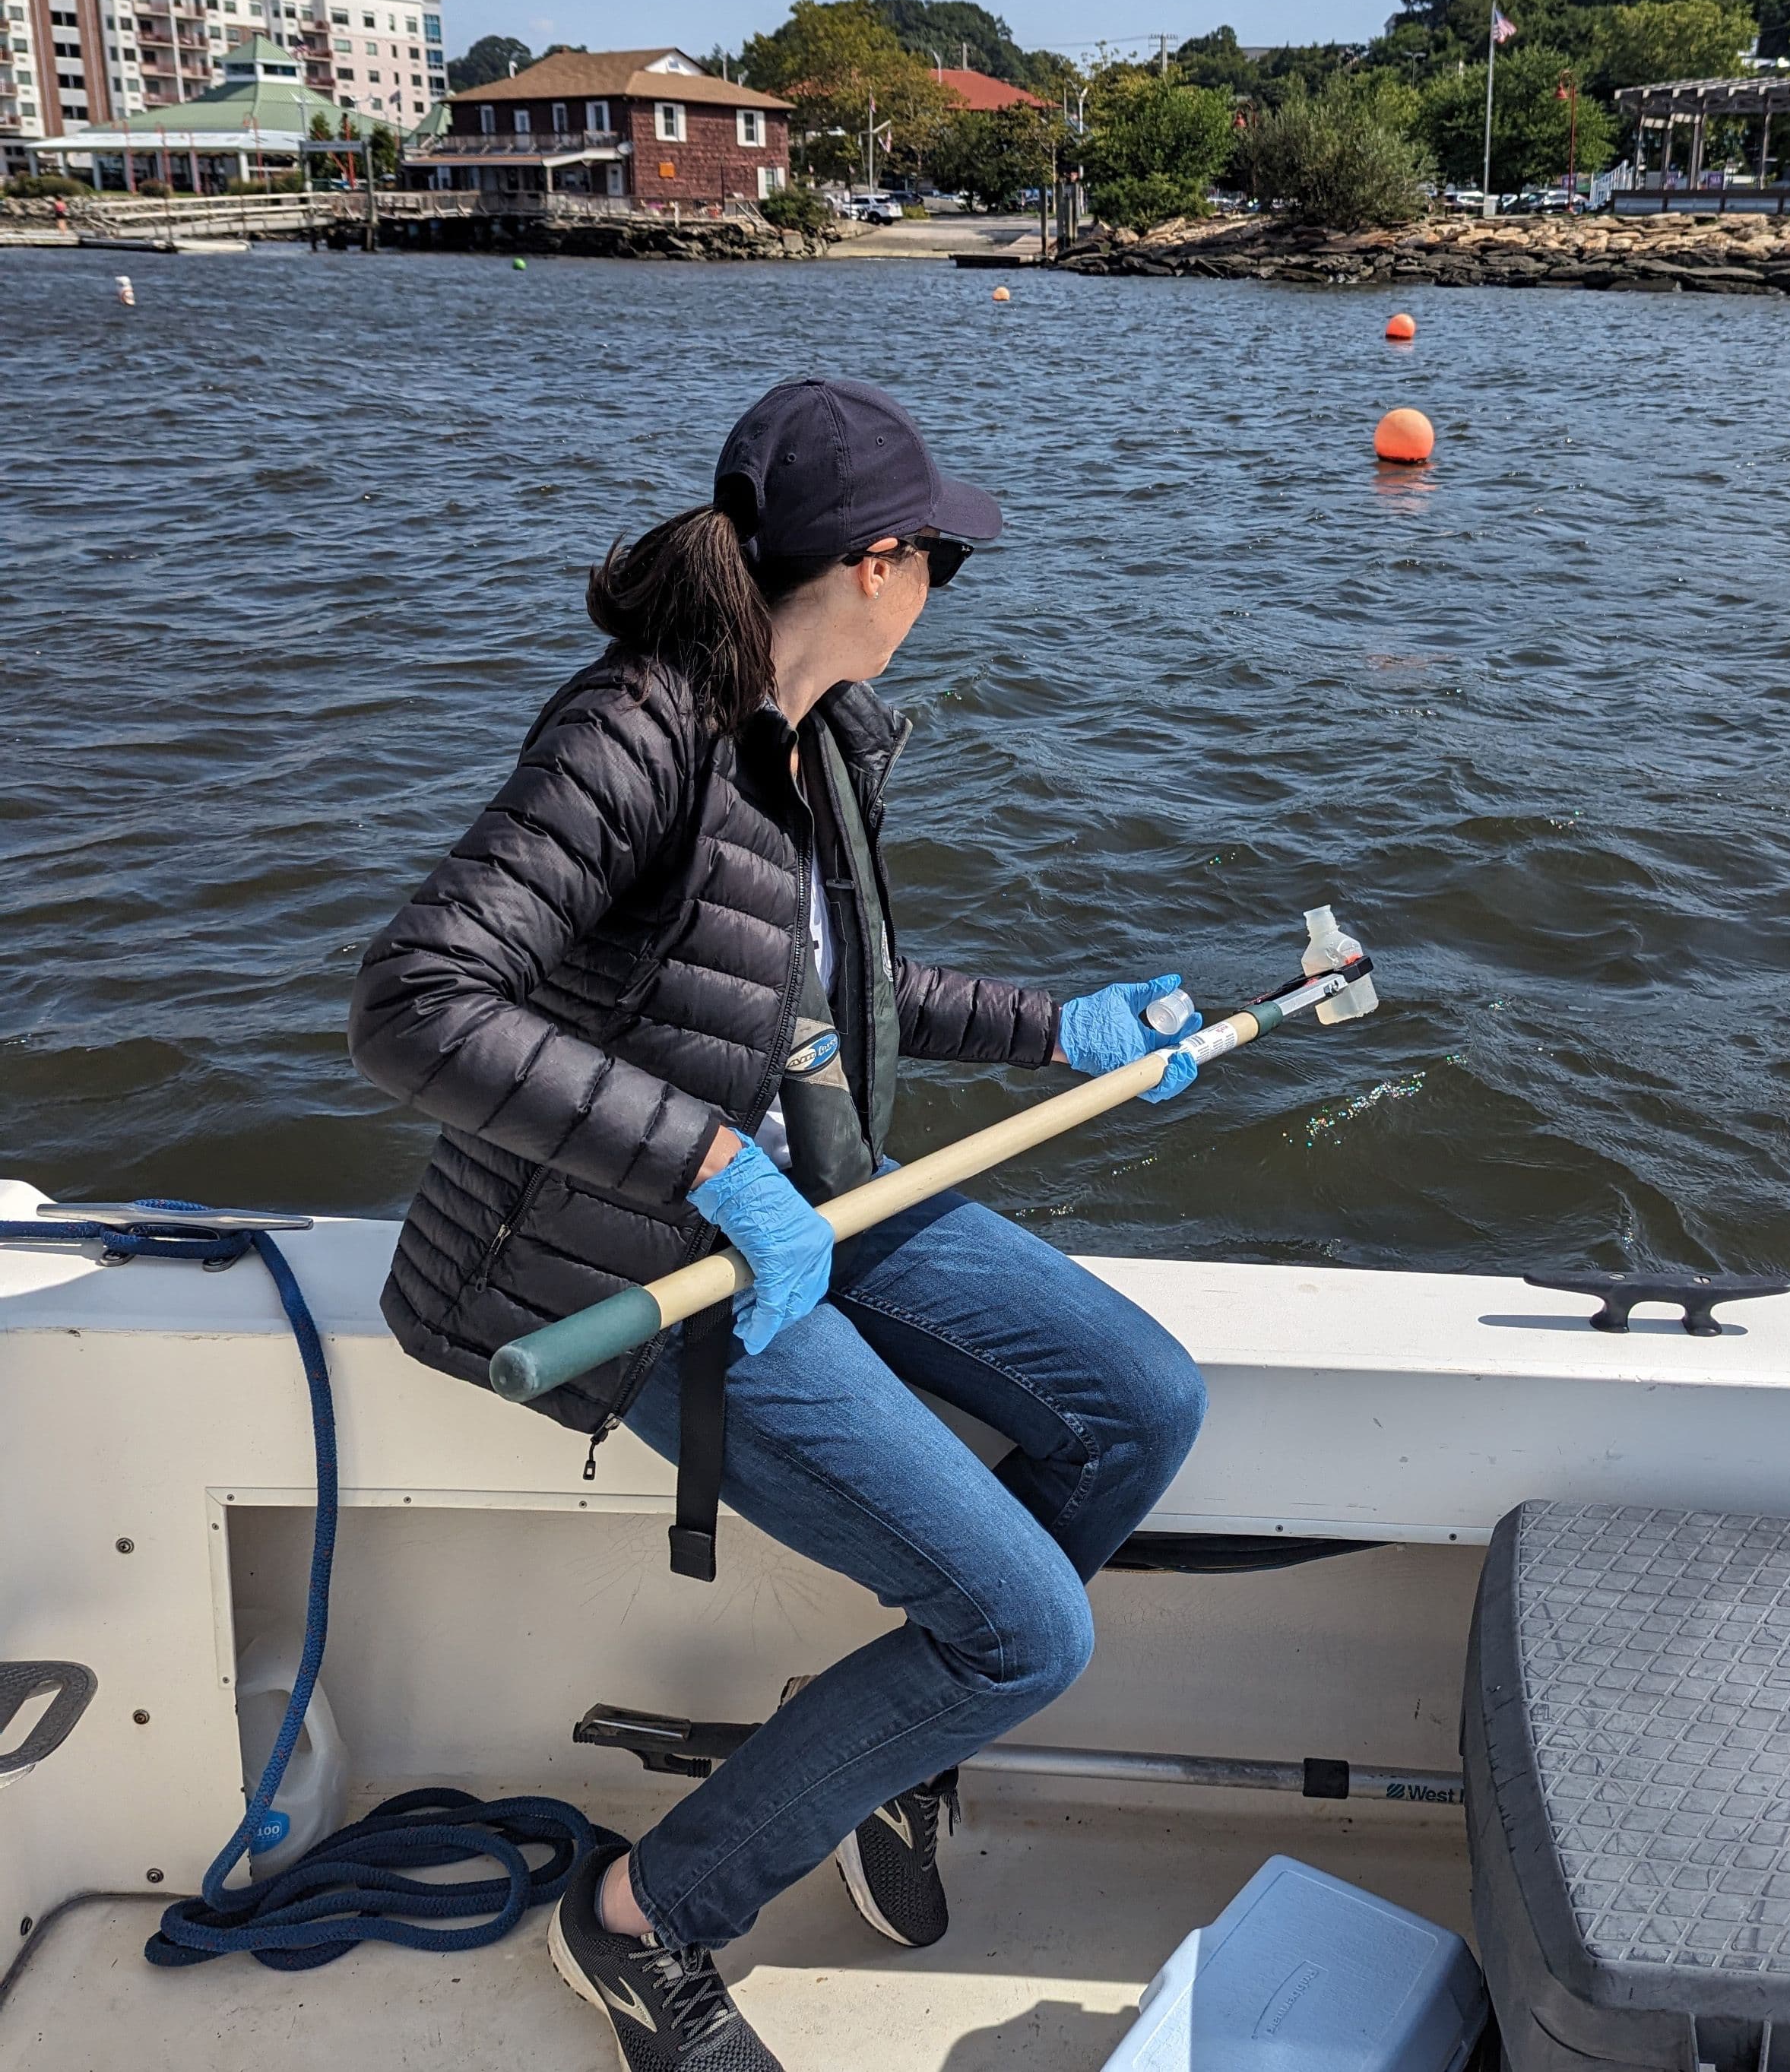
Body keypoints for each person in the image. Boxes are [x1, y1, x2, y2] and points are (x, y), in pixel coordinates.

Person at [348, 379, 1209, 2071]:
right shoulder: (638, 730)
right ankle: (642, 1919)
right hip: (633, 1262)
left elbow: (828, 998)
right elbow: (412, 1002)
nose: (946, 590)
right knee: (1030, 1630)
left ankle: (895, 1751)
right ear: (876, 564)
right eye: (941, 560)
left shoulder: (811, 735)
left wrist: (1063, 1025)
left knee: (1142, 1405)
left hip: (800, 1194)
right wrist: (702, 1166)